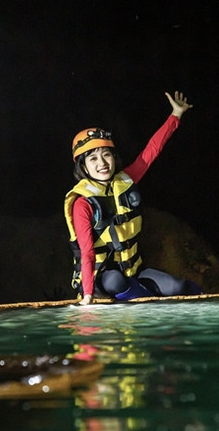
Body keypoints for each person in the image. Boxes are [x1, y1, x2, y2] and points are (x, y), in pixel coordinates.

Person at [63, 91, 203, 305]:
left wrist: (175, 115)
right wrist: (88, 296)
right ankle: (145, 301)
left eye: (106, 154)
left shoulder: (125, 180)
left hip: (133, 270)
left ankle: (204, 298)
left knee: (178, 287)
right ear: (83, 166)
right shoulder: (82, 203)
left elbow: (151, 152)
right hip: (101, 278)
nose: (102, 163)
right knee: (115, 281)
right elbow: (87, 252)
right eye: (93, 158)